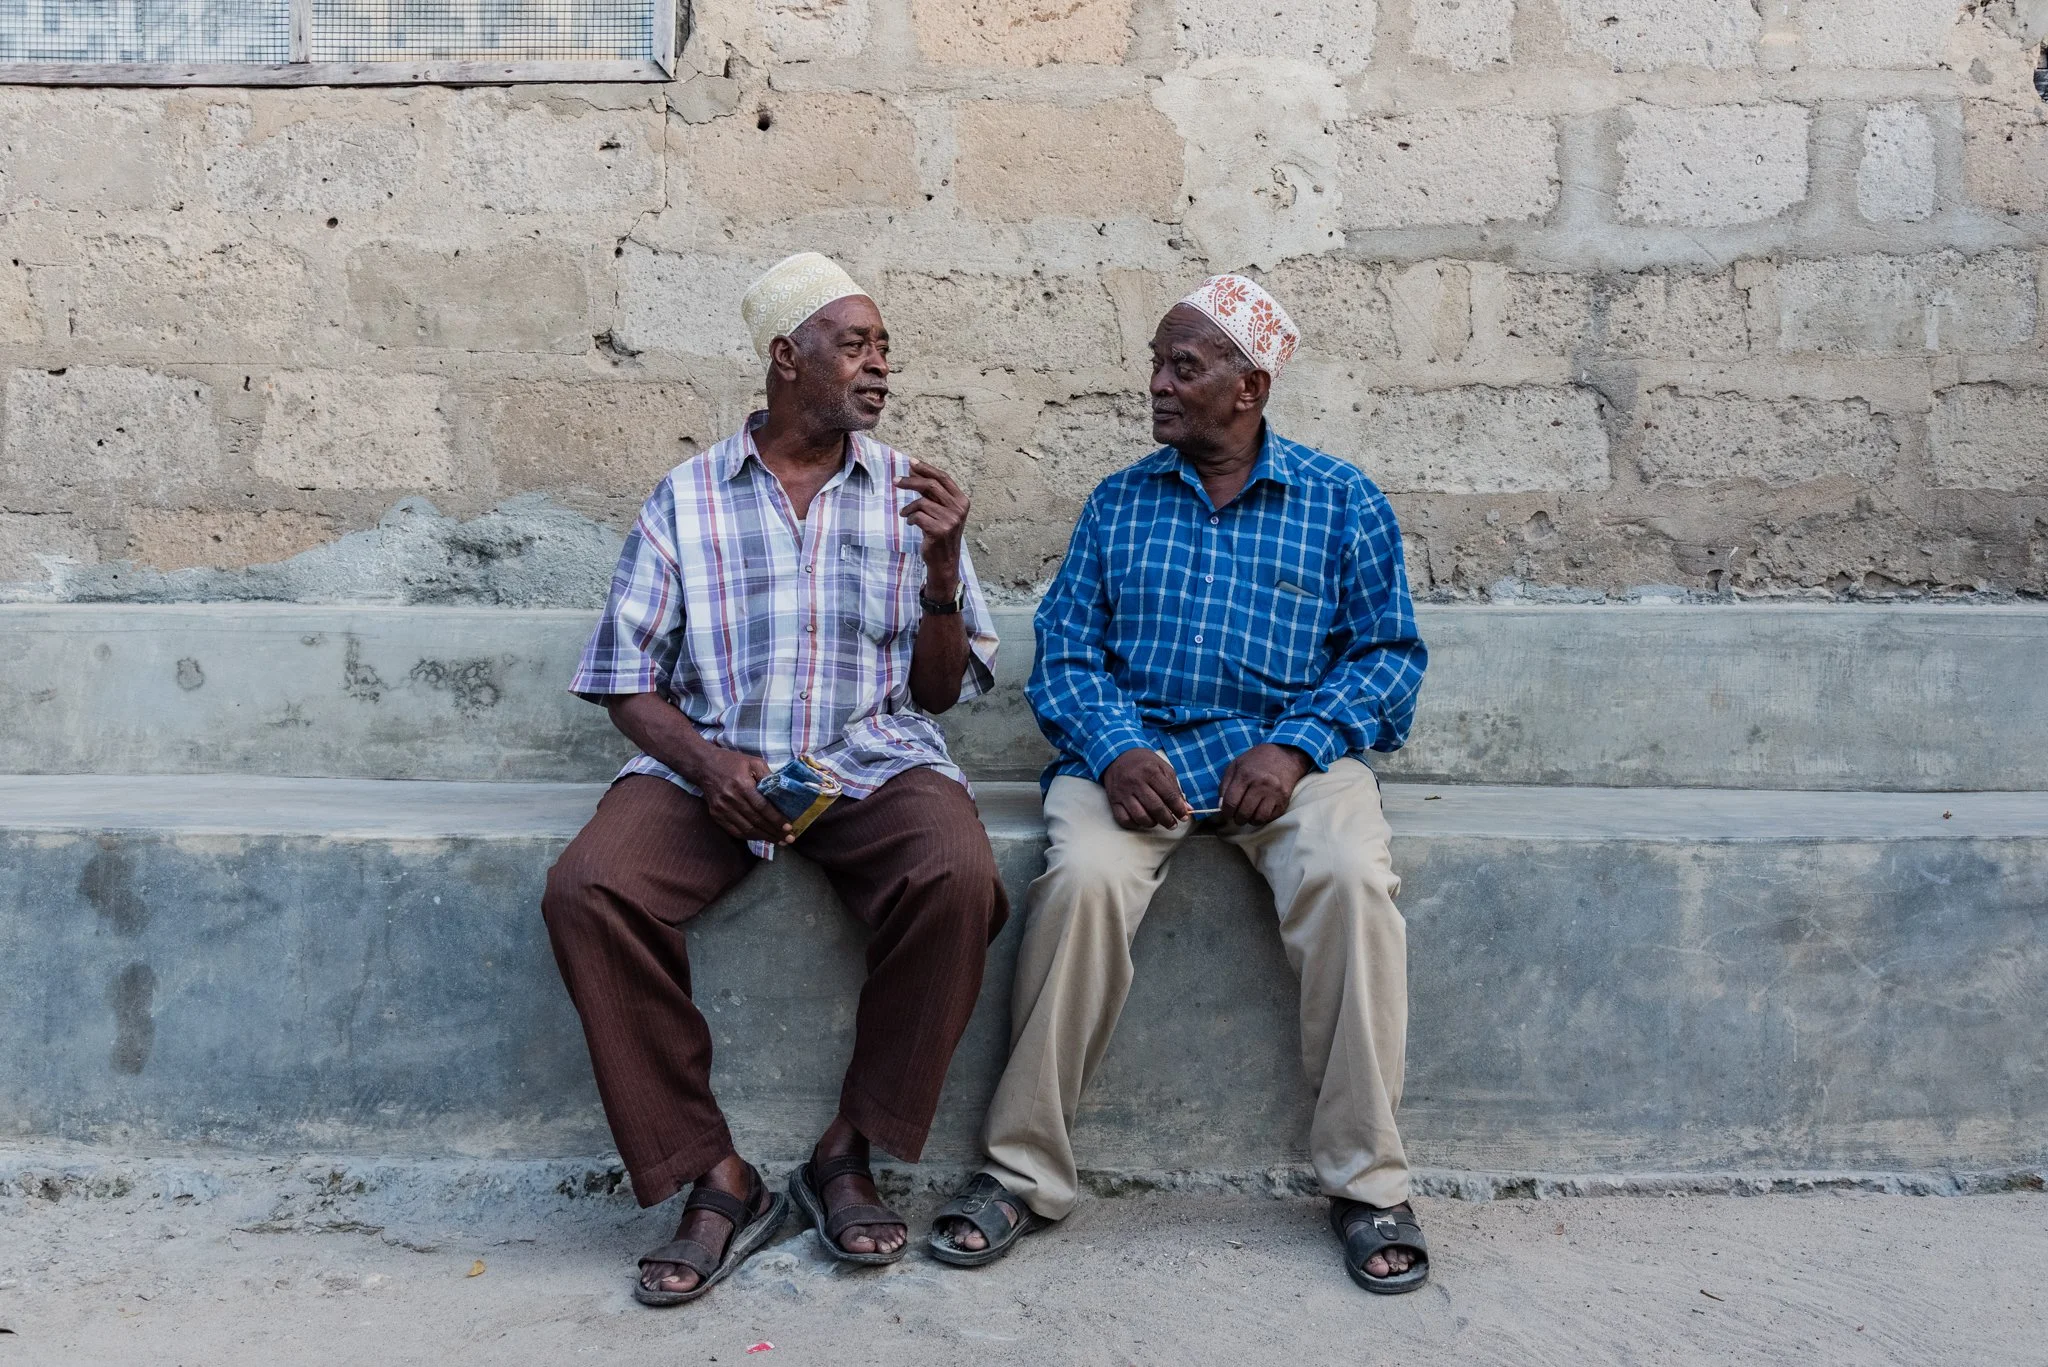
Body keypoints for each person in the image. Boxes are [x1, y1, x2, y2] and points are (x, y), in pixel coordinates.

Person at [927, 274, 1432, 1293]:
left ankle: (1367, 1180)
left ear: (1247, 389)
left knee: (1346, 877)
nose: (1155, 384)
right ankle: (1020, 1173)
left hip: (1285, 762)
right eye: (1156, 362)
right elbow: (1065, 652)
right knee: (1081, 883)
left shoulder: (1341, 501)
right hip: (1137, 759)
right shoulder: (1119, 502)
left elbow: (1386, 656)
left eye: (1181, 366)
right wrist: (1113, 749)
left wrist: (1294, 746)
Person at [542, 251, 1007, 1306]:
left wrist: (942, 571)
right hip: (715, 759)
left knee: (958, 876)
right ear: (784, 357)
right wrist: (707, 763)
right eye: (856, 345)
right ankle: (715, 1175)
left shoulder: (905, 493)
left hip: (868, 761)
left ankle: (849, 1150)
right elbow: (624, 679)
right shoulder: (688, 496)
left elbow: (934, 697)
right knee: (587, 889)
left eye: (884, 348)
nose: (879, 368)